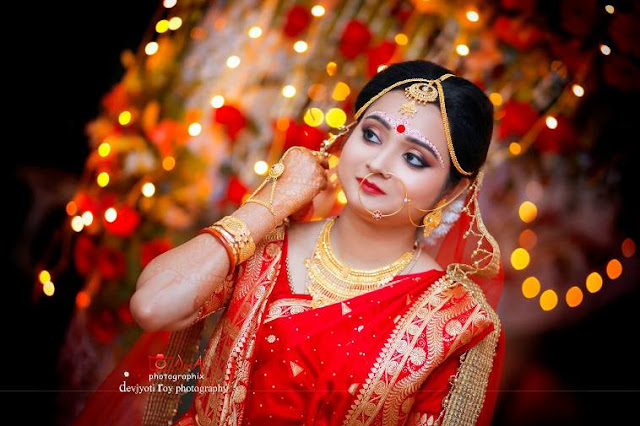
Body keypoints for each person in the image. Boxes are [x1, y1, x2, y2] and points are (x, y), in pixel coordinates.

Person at [74, 60, 505, 426]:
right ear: (348, 135)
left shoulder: (458, 322)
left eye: (414, 158)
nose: (378, 163)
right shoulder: (264, 243)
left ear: (451, 192)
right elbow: (152, 307)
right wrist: (270, 204)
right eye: (371, 135)